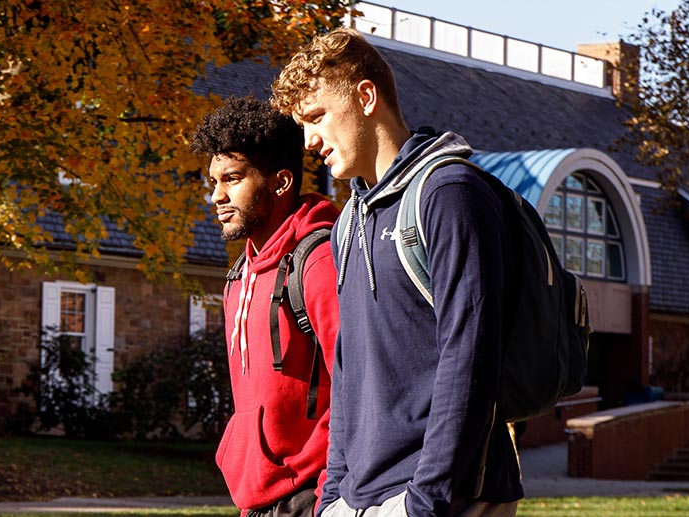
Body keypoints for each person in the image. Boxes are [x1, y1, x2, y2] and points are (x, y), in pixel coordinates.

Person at [269, 28, 521, 517]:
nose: (310, 141)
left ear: (366, 97)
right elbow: (346, 368)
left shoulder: (450, 194)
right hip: (358, 500)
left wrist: (426, 501)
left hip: (442, 499)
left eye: (317, 117)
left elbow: (470, 357)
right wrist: (334, 496)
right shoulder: (348, 223)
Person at [191, 96, 341, 517]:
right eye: (214, 181)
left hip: (310, 495)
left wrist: (328, 496)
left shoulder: (318, 261)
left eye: (233, 179)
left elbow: (360, 385)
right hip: (255, 497)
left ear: (280, 183)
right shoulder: (240, 275)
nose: (217, 196)